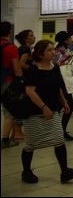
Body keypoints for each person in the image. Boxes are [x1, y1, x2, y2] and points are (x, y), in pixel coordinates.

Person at [21, 39, 73, 184]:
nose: (53, 52)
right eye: (49, 50)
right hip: (34, 112)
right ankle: (26, 171)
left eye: (53, 49)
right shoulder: (33, 70)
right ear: (40, 54)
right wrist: (43, 107)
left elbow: (57, 86)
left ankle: (65, 171)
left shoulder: (54, 67)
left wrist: (63, 101)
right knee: (31, 143)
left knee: (58, 139)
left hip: (53, 109)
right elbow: (30, 91)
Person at [12, 29, 37, 141]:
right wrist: (32, 69)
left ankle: (15, 131)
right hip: (24, 79)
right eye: (31, 36)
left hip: (18, 79)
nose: (34, 37)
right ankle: (18, 131)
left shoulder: (21, 48)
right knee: (22, 104)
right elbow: (21, 64)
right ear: (26, 39)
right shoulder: (26, 49)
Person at [1, 21, 21, 149]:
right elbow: (17, 68)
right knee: (8, 113)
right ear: (9, 32)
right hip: (6, 82)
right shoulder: (11, 47)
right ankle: (4, 140)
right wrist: (21, 82)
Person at [54, 31, 73, 141]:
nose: (71, 39)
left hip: (58, 81)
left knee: (59, 106)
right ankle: (61, 131)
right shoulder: (62, 51)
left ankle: (57, 130)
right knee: (70, 106)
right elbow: (59, 65)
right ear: (65, 40)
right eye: (69, 37)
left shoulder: (57, 49)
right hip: (62, 82)